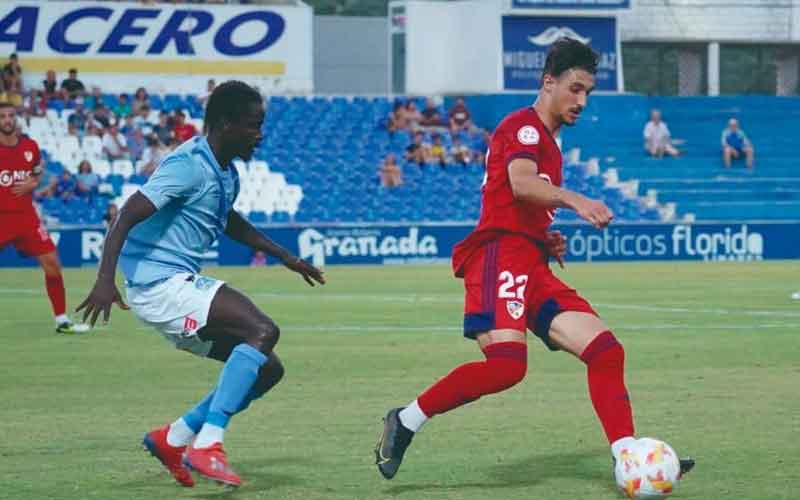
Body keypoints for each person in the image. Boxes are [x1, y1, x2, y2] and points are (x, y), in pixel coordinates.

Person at [373, 37, 695, 483]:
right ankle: (405, 420)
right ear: (549, 82)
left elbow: (522, 201)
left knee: (606, 352)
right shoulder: (524, 128)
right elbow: (521, 184)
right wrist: (573, 199)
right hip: (498, 256)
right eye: (575, 89)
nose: (581, 101)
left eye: (588, 92)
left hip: (529, 259)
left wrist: (545, 237)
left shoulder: (549, 140)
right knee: (507, 366)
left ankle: (628, 455)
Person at [76, 81, 325, 488]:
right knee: (262, 330)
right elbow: (127, 213)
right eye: (253, 125)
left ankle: (173, 438)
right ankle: (208, 444)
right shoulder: (188, 163)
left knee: (266, 370)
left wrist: (284, 256)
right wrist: (105, 280)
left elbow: (227, 220)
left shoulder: (226, 173)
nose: (259, 134)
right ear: (225, 124)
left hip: (173, 286)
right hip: (160, 284)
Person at [0, 102, 87, 333]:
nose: (7, 120)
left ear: (16, 119)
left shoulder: (30, 146)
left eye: (10, 116)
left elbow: (37, 168)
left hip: (26, 217)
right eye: (2, 117)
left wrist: (34, 181)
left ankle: (62, 321)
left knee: (53, 266)